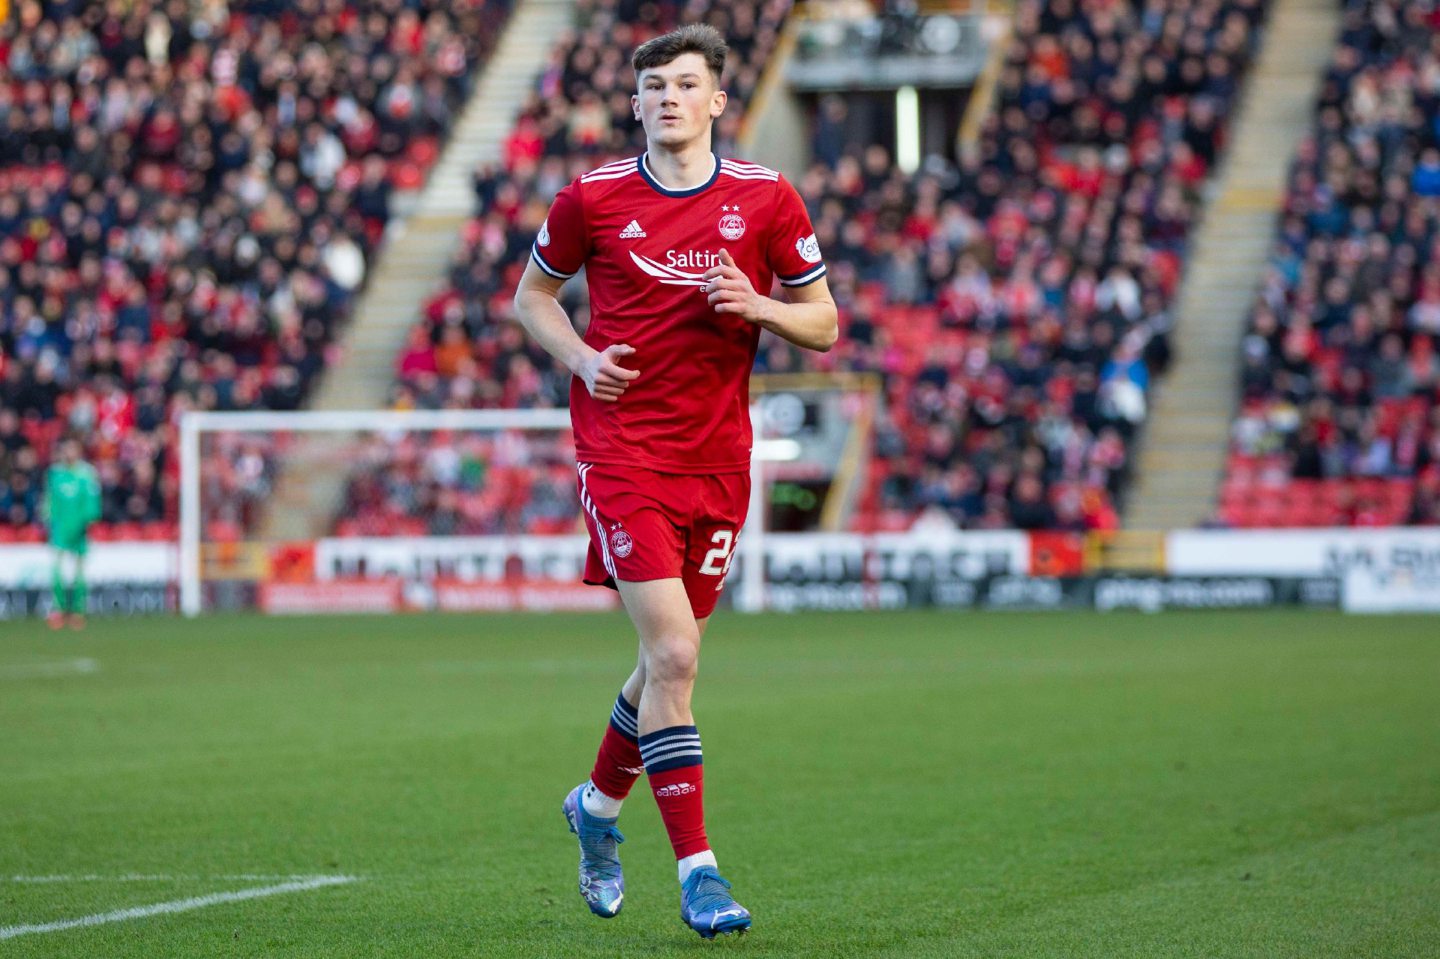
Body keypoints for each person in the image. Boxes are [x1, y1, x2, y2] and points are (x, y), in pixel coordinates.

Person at [513, 24, 837, 939]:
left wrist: (758, 304)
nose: (666, 97)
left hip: (717, 461)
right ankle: (700, 872)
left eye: (685, 84)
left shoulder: (768, 199)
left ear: (717, 101)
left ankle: (597, 810)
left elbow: (825, 324)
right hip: (621, 452)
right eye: (651, 85)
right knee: (679, 657)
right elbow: (530, 297)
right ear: (635, 103)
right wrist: (580, 357)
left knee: (666, 662)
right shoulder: (595, 197)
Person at [41, 438, 102, 629]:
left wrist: (89, 519)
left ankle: (77, 610)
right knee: (57, 570)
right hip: (60, 527)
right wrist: (48, 518)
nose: (69, 453)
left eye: (72, 449)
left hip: (80, 528)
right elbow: (49, 500)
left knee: (79, 571)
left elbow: (92, 501)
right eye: (66, 449)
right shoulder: (55, 473)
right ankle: (58, 609)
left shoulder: (86, 473)